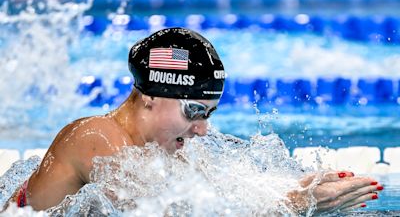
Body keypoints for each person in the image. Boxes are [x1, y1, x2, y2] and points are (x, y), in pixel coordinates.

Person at [6, 27, 382, 214]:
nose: (202, 128)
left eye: (208, 114)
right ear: (151, 96)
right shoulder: (95, 137)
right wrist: (299, 202)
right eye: (193, 111)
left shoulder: (164, 147)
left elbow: (219, 197)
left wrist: (293, 187)